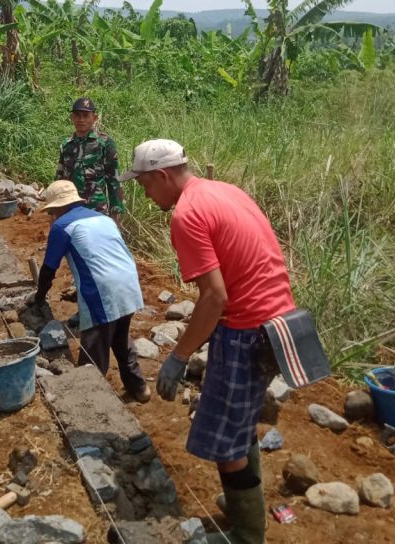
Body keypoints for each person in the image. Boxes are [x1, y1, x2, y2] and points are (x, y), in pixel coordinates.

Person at [119, 139, 296, 544]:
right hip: (278, 317)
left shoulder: (187, 215)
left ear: (163, 175)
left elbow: (215, 297)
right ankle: (242, 502)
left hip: (247, 328)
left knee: (224, 443)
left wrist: (179, 357)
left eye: (146, 185)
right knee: (242, 420)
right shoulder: (224, 190)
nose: (147, 195)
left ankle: (247, 534)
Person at [30, 180, 151, 404]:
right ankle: (139, 387)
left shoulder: (62, 226)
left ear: (57, 208)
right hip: (129, 282)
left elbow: (48, 269)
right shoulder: (102, 218)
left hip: (102, 291)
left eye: (52, 211)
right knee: (120, 336)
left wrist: (38, 298)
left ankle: (89, 403)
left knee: (94, 350)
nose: (51, 216)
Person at [55, 97, 126, 219]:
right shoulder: (66, 145)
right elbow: (59, 178)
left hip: (96, 209)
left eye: (86, 115)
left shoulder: (104, 143)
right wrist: (55, 211)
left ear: (95, 118)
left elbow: (113, 179)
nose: (81, 120)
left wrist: (115, 212)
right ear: (72, 117)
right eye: (77, 115)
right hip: (71, 207)